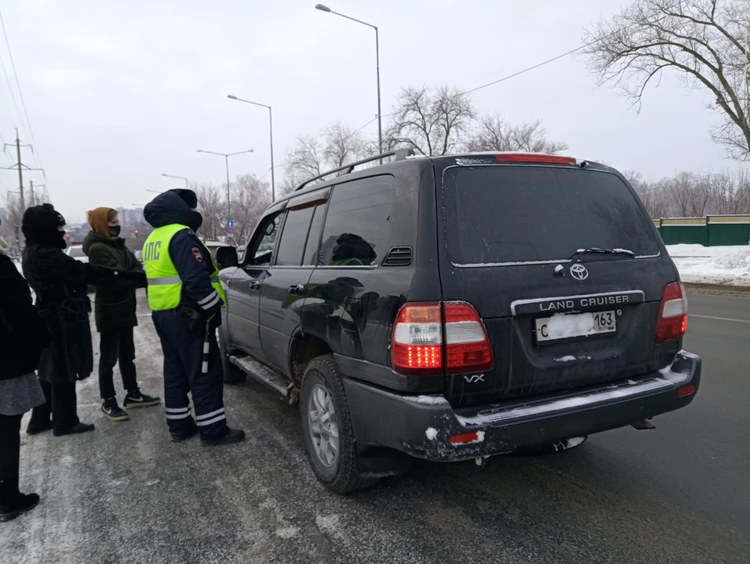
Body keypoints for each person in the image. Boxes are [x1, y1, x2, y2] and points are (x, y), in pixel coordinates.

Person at [143, 189, 244, 445]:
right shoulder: (181, 236)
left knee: (175, 371)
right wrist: (212, 309)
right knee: (204, 372)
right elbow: (196, 280)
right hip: (189, 315)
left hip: (164, 314)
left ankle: (179, 426)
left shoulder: (154, 237)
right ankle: (213, 431)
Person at [22, 204, 124, 437]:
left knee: (47, 371)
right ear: (46, 228)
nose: (62, 231)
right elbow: (82, 272)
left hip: (47, 315)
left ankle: (39, 419)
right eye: (58, 226)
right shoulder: (47, 254)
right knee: (63, 370)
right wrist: (120, 277)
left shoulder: (32, 250)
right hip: (60, 318)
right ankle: (65, 421)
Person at [83, 207, 160, 421]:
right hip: (109, 309)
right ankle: (108, 400)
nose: (117, 225)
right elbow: (116, 277)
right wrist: (130, 276)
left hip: (125, 307)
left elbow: (135, 269)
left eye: (117, 221)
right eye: (112, 222)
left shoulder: (118, 245)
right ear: (101, 225)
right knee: (108, 358)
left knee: (128, 355)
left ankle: (133, 394)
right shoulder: (98, 248)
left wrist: (130, 275)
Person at [0, 238, 47, 521]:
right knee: (6, 424)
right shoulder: (2, 268)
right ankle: (8, 497)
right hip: (6, 361)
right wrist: (40, 340)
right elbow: (19, 311)